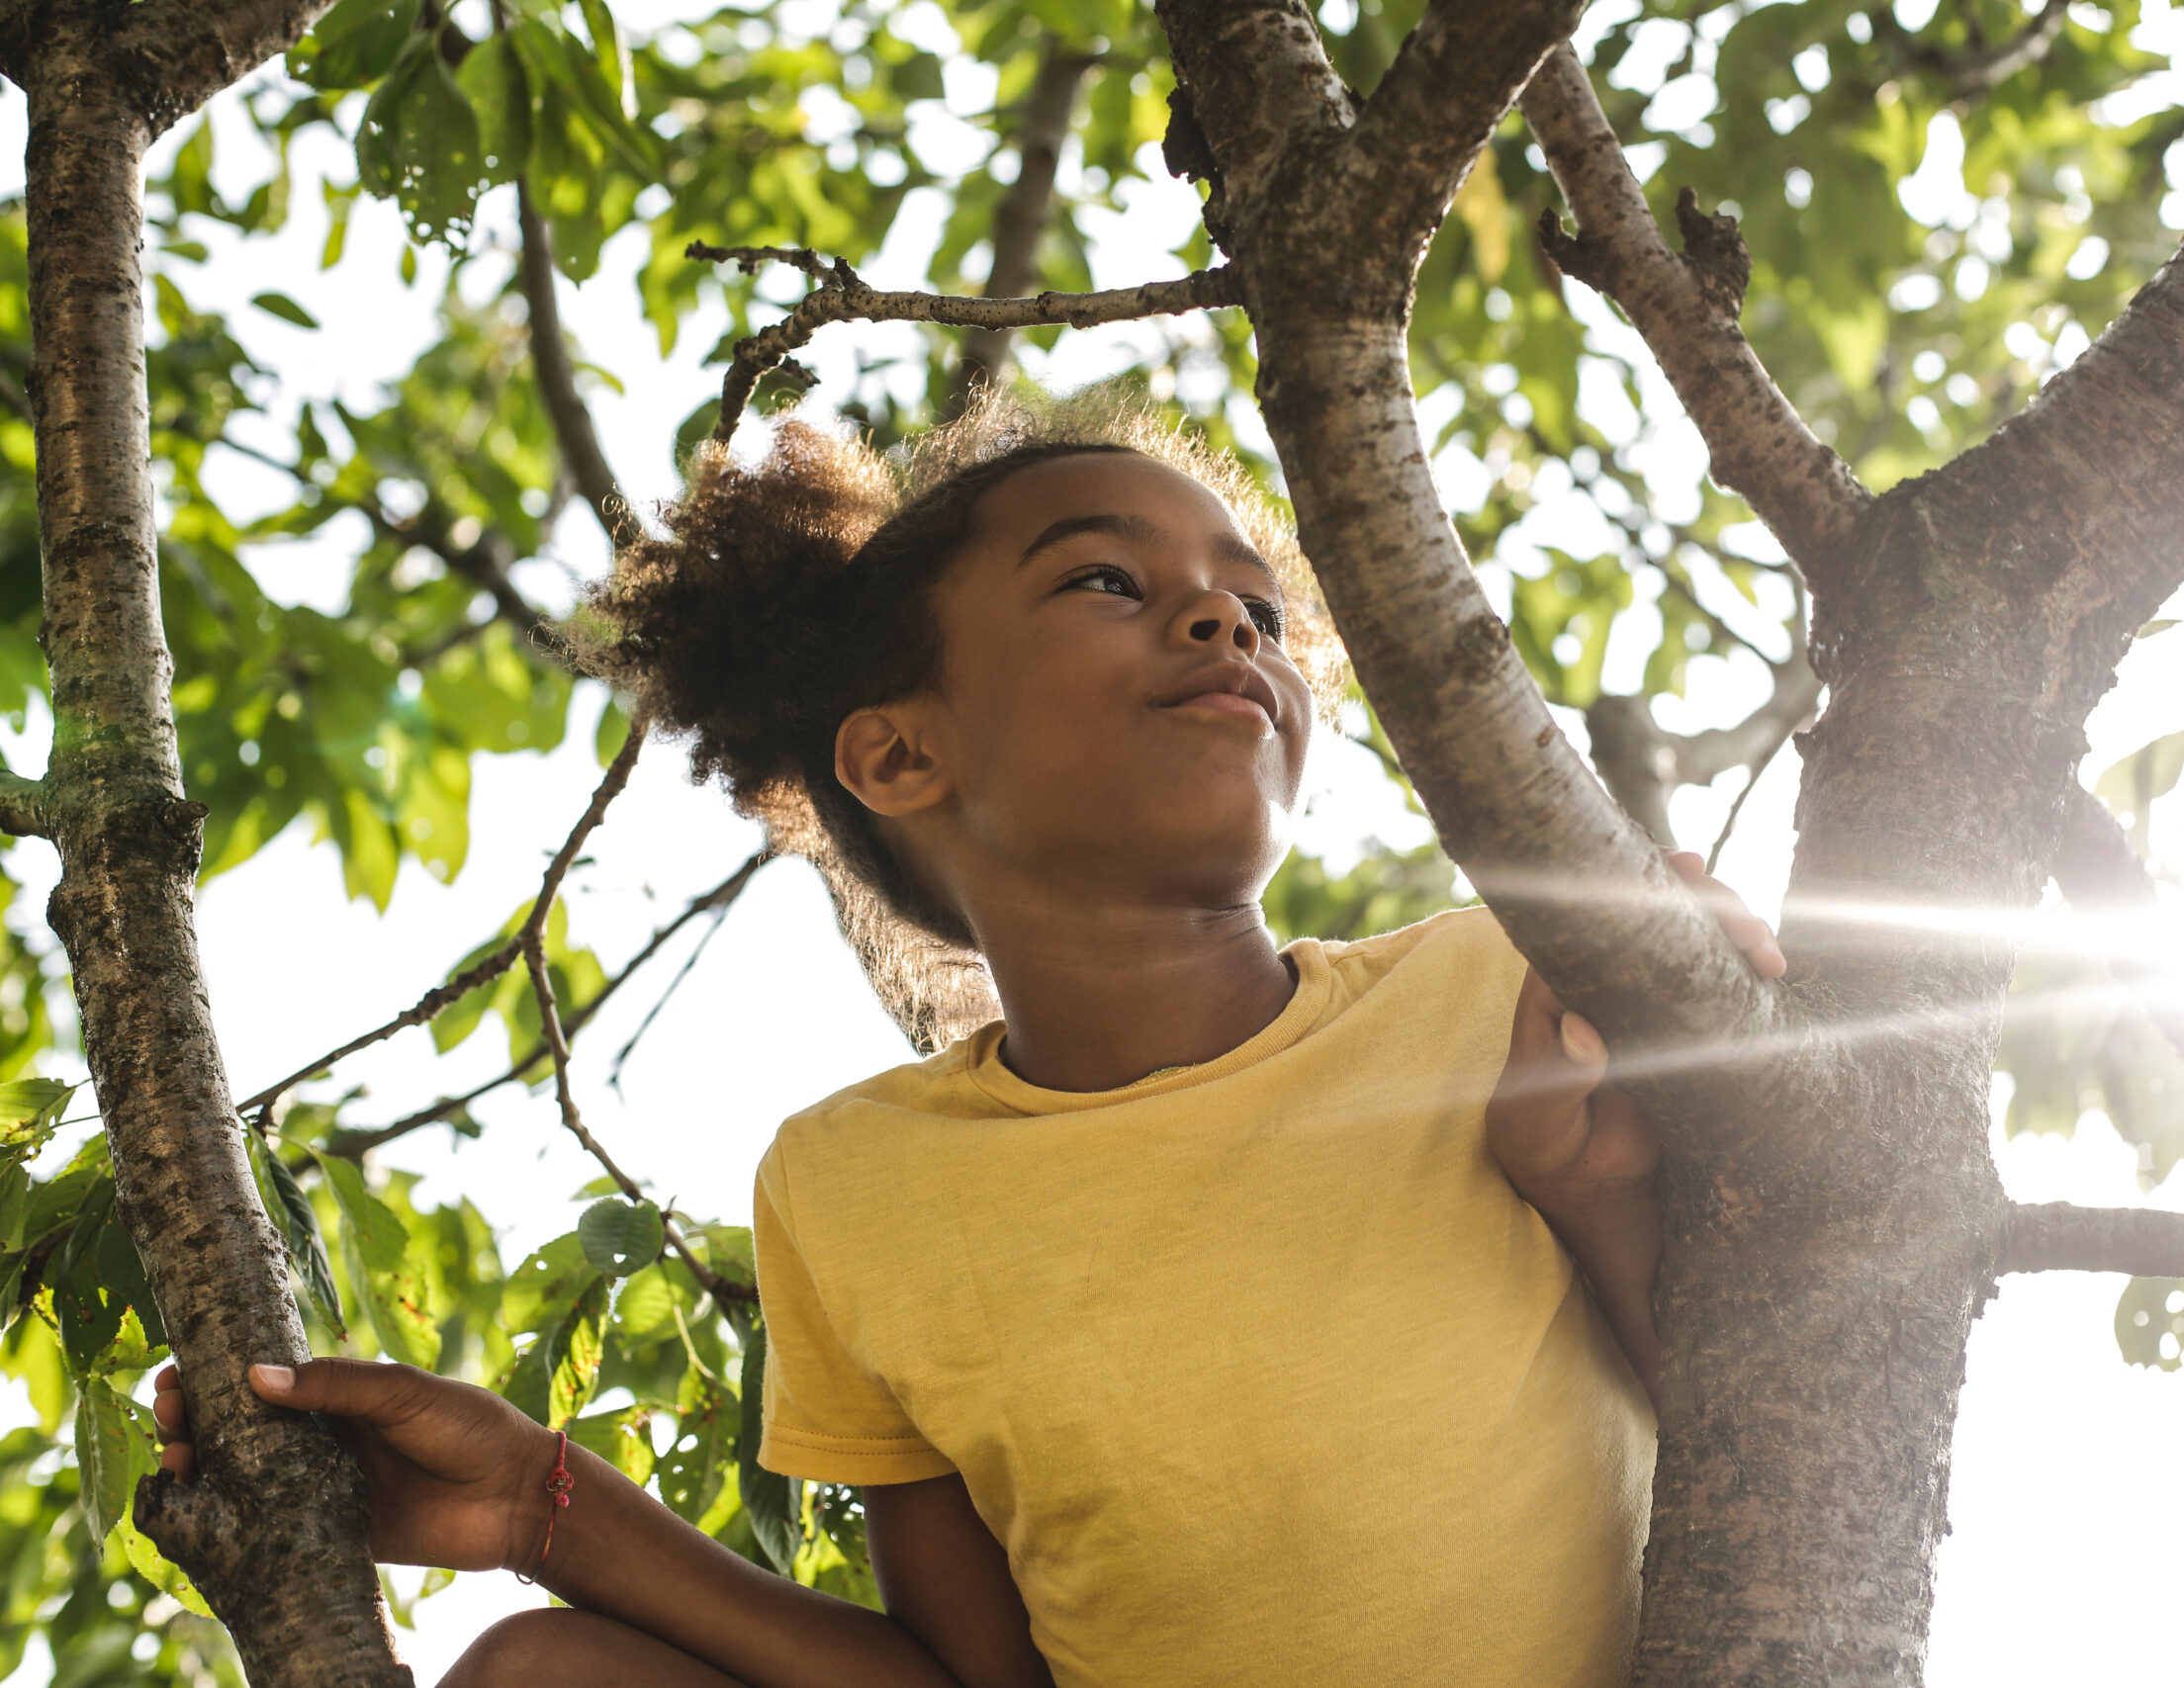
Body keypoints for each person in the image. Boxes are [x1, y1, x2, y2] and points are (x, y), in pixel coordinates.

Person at [154, 392, 1785, 1688]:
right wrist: (538, 1506)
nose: (1229, 626)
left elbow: (1788, 1442)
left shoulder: (1496, 987)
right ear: (898, 752)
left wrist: (1589, 1176)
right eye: (1107, 580)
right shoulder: (851, 1191)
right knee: (541, 1678)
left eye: (1260, 607)